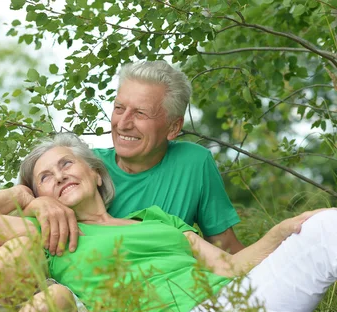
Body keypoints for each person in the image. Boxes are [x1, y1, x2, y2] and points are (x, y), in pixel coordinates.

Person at [0, 133, 337, 312]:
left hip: (234, 298)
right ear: (41, 194)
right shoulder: (51, 235)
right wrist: (22, 197)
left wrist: (283, 229)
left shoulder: (157, 220)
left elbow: (232, 268)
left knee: (324, 227)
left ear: (96, 173)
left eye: (66, 165)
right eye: (46, 177)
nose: (59, 176)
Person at [24, 61, 244, 257]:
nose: (123, 123)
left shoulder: (194, 163)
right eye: (119, 108)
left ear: (173, 127)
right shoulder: (83, 169)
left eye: (140, 113)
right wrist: (37, 204)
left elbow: (225, 248)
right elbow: (9, 216)